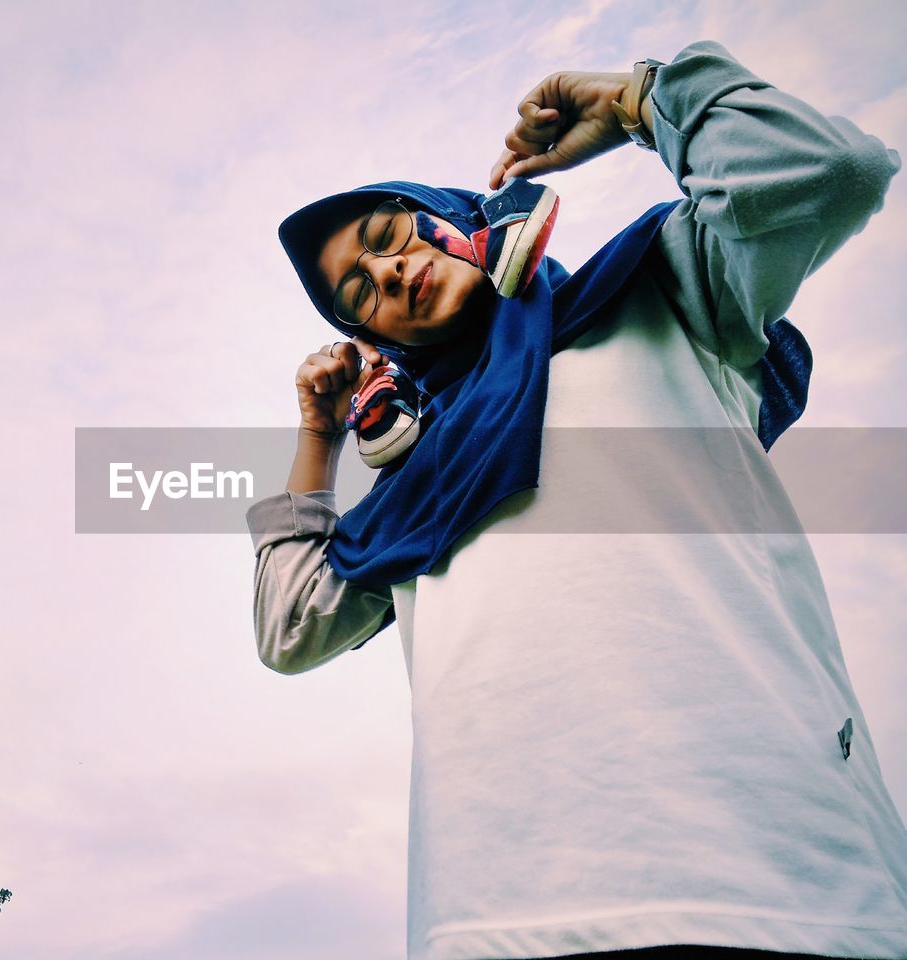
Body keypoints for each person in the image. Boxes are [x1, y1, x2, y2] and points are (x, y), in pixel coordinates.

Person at [245, 40, 906, 960]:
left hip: (781, 884)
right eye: (360, 290)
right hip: (490, 918)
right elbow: (289, 628)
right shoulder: (412, 492)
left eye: (388, 237)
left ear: (463, 220)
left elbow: (832, 172)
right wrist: (317, 435)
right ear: (372, 337)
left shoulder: (666, 293)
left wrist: (640, 101)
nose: (388, 274)